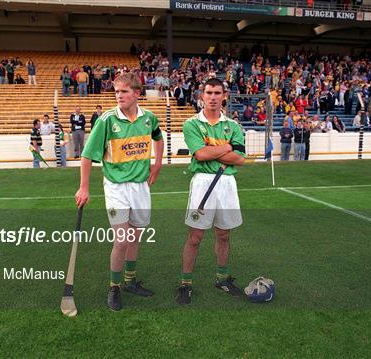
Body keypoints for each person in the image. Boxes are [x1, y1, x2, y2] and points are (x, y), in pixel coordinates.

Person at [75, 73, 164, 311]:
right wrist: (84, 187)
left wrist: (157, 163)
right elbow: (86, 156)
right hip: (116, 188)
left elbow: (158, 137)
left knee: (134, 238)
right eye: (116, 92)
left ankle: (130, 280)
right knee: (122, 239)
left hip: (141, 187)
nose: (119, 96)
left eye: (124, 91)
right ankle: (114, 287)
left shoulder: (149, 118)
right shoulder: (106, 120)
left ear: (137, 93)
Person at [176, 78, 245, 305]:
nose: (213, 97)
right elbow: (200, 155)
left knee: (224, 234)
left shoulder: (233, 126)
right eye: (209, 92)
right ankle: (185, 284)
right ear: (202, 96)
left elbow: (240, 159)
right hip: (203, 182)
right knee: (195, 236)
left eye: (217, 92)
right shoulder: (192, 124)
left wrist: (211, 149)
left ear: (224, 95)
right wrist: (226, 147)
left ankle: (222, 278)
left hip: (226, 183)